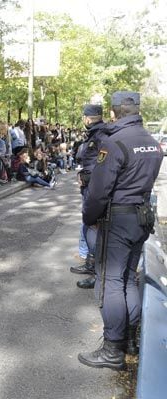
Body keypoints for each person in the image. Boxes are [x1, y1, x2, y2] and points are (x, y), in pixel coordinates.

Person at [78, 91, 163, 370]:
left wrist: (89, 217)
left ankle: (113, 350)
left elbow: (99, 191)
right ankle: (130, 341)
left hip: (118, 219)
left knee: (110, 282)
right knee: (127, 279)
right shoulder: (152, 143)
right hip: (141, 217)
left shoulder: (115, 143)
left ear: (113, 113)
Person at [70, 104, 108, 289]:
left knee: (92, 227)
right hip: (89, 187)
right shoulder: (96, 133)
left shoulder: (101, 135)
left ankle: (95, 272)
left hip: (94, 189)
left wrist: (87, 178)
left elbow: (101, 165)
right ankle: (90, 264)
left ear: (88, 117)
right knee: (87, 226)